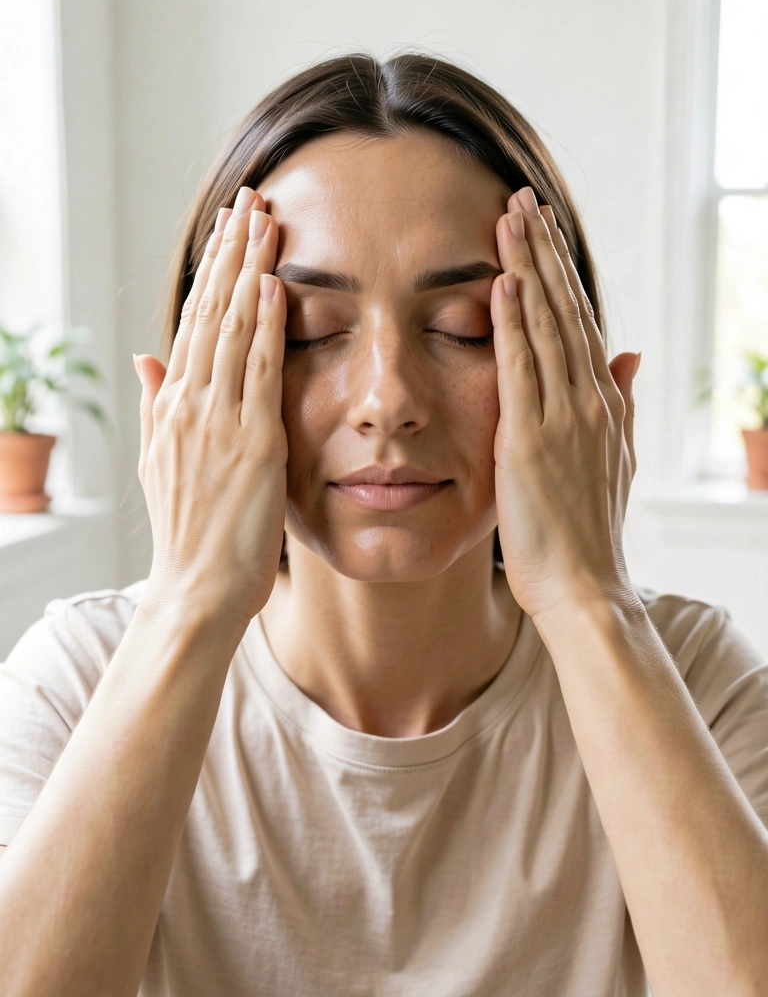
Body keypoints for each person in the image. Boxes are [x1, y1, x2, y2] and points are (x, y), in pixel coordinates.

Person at [0, 52, 766, 997]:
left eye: (463, 327)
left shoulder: (696, 682)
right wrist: (189, 601)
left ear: (576, 379)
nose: (387, 401)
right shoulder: (76, 684)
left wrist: (588, 597)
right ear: (192, 390)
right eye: (311, 332)